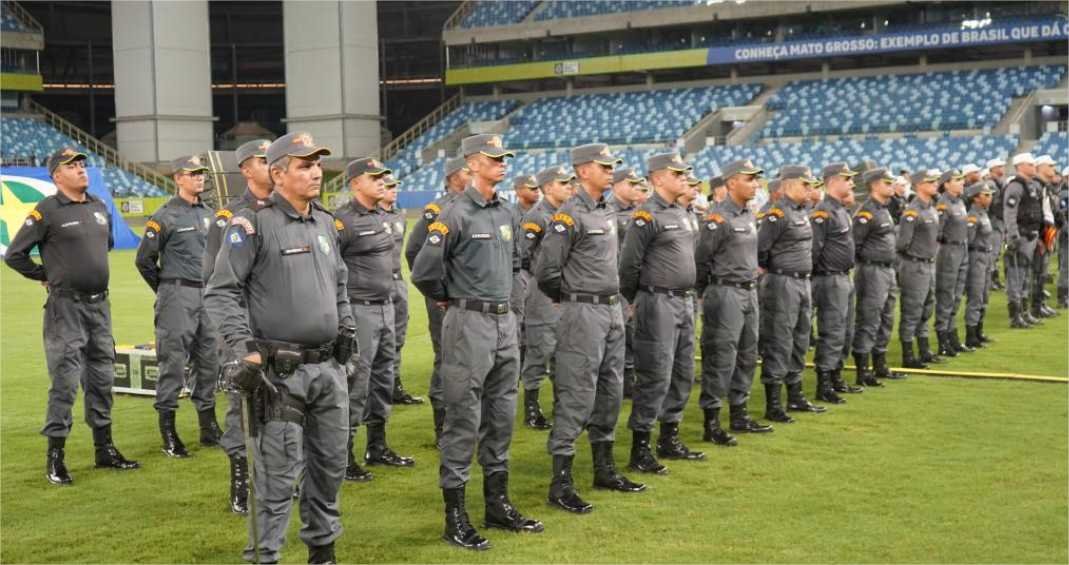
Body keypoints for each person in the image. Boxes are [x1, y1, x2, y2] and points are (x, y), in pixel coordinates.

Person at [204, 132, 351, 564]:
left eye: (318, 164)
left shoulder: (325, 222)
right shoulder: (252, 224)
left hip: (328, 369)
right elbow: (220, 292)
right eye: (305, 165)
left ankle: (322, 554)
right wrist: (243, 347)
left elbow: (340, 283)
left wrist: (346, 327)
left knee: (328, 469)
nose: (316, 172)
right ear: (279, 173)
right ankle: (264, 556)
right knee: (276, 477)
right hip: (280, 375)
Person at [412, 134, 543, 550]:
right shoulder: (453, 214)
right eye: (493, 158)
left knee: (502, 415)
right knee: (464, 419)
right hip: (468, 322)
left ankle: (497, 504)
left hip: (504, 324)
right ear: (472, 164)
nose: (502, 163)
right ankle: (455, 514)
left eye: (505, 156)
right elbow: (424, 271)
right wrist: (451, 300)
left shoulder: (507, 211)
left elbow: (517, 263)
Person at [5, 147, 140, 485]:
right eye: (72, 166)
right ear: (56, 175)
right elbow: (15, 255)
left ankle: (104, 449)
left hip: (100, 307)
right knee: (65, 382)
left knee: (102, 378)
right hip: (65, 308)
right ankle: (56, 458)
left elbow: (103, 245)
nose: (81, 169)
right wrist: (44, 275)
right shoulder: (47, 210)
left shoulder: (97, 206)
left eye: (82, 164)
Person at [535, 143, 645, 514]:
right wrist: (570, 299)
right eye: (603, 165)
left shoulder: (608, 208)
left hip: (612, 310)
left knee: (611, 391)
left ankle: (604, 468)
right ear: (583, 171)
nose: (610, 169)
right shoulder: (569, 215)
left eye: (611, 164)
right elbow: (546, 270)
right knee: (577, 391)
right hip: (583, 311)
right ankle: (560, 482)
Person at [620, 152, 704, 469]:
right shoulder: (646, 215)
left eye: (685, 173)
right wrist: (634, 300)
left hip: (684, 301)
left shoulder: (682, 212)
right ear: (658, 178)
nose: (684, 177)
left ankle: (669, 438)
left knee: (683, 372)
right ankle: (641, 448)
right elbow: (628, 265)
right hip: (658, 302)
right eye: (677, 173)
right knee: (656, 373)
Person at [135, 155, 222, 458]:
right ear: (178, 178)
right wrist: (167, 289)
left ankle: (208, 427)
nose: (199, 178)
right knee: (172, 362)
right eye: (193, 173)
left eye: (201, 173)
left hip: (207, 296)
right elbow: (144, 260)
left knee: (208, 360)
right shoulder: (164, 216)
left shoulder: (211, 213)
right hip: (177, 295)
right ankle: (169, 432)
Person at [204, 138, 274, 514]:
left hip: (282, 328)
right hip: (244, 329)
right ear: (246, 169)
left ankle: (273, 482)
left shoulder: (286, 211)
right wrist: (234, 337)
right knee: (243, 408)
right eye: (263, 161)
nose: (271, 166)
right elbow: (214, 280)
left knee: (281, 406)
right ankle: (240, 488)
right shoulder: (229, 217)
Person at [335, 158, 415, 484]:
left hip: (387, 306)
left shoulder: (385, 217)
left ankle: (377, 445)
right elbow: (331, 268)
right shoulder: (343, 221)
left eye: (384, 178)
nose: (382, 182)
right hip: (360, 309)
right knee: (357, 382)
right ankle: (344, 456)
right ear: (356, 183)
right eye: (374, 178)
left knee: (384, 378)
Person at [696, 159, 773, 445]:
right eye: (749, 179)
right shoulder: (717, 219)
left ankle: (739, 413)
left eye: (757, 179)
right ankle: (712, 421)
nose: (756, 184)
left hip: (749, 290)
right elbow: (701, 259)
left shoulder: (748, 215)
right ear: (731, 183)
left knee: (747, 353)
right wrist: (706, 292)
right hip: (725, 291)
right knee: (721, 356)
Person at [405, 156, 470, 447]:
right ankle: (442, 427)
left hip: (473, 300)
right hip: (446, 302)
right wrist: (437, 292)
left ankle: (467, 425)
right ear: (454, 176)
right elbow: (415, 252)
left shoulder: (477, 208)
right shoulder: (437, 210)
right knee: (446, 360)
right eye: (468, 170)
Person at [757, 165, 825, 424]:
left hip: (802, 282)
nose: (810, 190)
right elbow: (761, 251)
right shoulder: (777, 214)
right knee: (780, 339)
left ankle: (795, 394)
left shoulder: (802, 211)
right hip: (782, 282)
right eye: (805, 185)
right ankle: (773, 402)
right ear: (787, 186)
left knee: (800, 337)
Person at [519, 167, 575, 430]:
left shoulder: (566, 214)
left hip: (566, 291)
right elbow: (524, 254)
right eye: (563, 183)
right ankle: (532, 408)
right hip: (542, 292)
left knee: (565, 350)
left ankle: (562, 405)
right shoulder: (537, 216)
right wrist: (545, 278)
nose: (569, 187)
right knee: (540, 350)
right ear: (548, 187)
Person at [810, 163, 862, 403]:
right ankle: (824, 383)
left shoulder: (841, 210)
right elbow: (815, 249)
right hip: (829, 278)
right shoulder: (823, 212)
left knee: (845, 330)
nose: (852, 183)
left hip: (844, 276)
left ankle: (837, 376)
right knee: (831, 331)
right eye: (847, 179)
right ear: (833, 181)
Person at [851, 167, 902, 378]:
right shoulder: (866, 212)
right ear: (874, 185)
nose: (891, 186)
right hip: (872, 270)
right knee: (869, 317)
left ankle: (880, 363)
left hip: (886, 270)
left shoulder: (883, 209)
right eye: (887, 183)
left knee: (886, 317)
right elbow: (855, 244)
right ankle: (863, 369)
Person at [380, 174, 422, 405]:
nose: (394, 190)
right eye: (389, 186)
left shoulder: (399, 216)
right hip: (376, 285)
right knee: (377, 339)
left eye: (395, 186)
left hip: (398, 281)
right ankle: (374, 389)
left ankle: (394, 385)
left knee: (398, 336)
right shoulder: (371, 218)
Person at [897, 169, 944, 368]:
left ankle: (924, 350)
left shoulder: (931, 208)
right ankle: (908, 355)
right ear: (919, 185)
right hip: (914, 265)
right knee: (912, 310)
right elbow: (901, 244)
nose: (935, 184)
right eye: (930, 181)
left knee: (926, 308)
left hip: (929, 264)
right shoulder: (912, 211)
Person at [608, 167, 646, 398]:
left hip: (637, 282)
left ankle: (629, 379)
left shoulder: (639, 212)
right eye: (630, 184)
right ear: (617, 185)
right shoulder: (608, 212)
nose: (636, 189)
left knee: (634, 333)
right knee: (618, 334)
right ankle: (617, 381)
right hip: (616, 283)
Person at [932, 169, 972, 357]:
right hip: (948, 251)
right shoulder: (943, 204)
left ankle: (952, 334)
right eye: (957, 180)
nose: (962, 182)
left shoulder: (960, 202)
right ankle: (943, 339)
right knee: (946, 295)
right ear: (946, 184)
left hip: (961, 249)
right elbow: (937, 233)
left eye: (962, 179)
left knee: (956, 296)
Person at [1003, 153, 1045, 328]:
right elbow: (1009, 213)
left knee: (1026, 276)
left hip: (1032, 235)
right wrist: (1013, 237)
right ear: (1020, 166)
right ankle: (1015, 316)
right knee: (1016, 276)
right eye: (1030, 164)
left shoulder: (1031, 186)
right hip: (1021, 236)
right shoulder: (1015, 186)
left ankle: (1024, 312)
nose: (1034, 166)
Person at [511, 173, 542, 375]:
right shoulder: (509, 213)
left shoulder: (542, 212)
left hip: (539, 275)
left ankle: (536, 360)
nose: (536, 191)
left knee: (539, 321)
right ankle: (519, 360)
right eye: (531, 188)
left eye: (538, 188)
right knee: (520, 320)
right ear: (519, 190)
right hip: (521, 271)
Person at [963, 181, 996, 348]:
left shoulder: (984, 213)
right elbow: (967, 241)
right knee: (975, 296)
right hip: (976, 256)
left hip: (986, 256)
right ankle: (971, 335)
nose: (990, 198)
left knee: (984, 296)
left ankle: (978, 331)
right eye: (986, 195)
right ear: (976, 198)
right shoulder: (973, 216)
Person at [1033, 155, 1060, 319]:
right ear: (1041, 167)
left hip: (1047, 230)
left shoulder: (1044, 186)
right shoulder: (1037, 186)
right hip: (1041, 231)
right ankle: (1036, 306)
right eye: (1049, 166)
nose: (1053, 169)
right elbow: (1037, 212)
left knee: (1043, 270)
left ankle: (1040, 303)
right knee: (1038, 270)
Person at [986, 157, 1009, 290]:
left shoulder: (999, 182)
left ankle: (992, 279)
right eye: (999, 166)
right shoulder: (991, 184)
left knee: (996, 252)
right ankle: (989, 280)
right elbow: (992, 205)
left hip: (999, 221)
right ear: (993, 169)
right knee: (992, 252)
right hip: (993, 221)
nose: (1002, 168)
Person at [1058, 166, 1069, 309]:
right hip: (1067, 232)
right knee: (1066, 265)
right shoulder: (1064, 194)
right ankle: (1063, 296)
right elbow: (1062, 214)